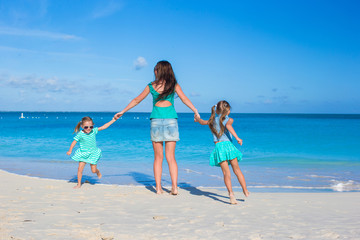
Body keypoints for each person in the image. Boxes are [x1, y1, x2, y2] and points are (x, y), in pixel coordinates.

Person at [114, 60, 199, 195]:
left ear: (161, 70)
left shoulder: (152, 86)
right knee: (170, 157)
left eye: (155, 69)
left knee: (159, 158)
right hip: (171, 121)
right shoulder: (173, 85)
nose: (154, 72)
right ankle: (174, 188)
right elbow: (184, 99)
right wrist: (195, 110)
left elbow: (137, 100)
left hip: (157, 122)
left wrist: (123, 111)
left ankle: (159, 189)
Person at [194, 100, 249, 204]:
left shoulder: (211, 120)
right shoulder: (229, 119)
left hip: (219, 148)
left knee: (226, 173)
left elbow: (202, 122)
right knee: (237, 170)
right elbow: (228, 126)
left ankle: (231, 194)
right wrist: (237, 138)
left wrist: (197, 119)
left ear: (217, 110)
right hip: (229, 146)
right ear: (228, 110)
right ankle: (245, 190)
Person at [67, 116, 117, 189]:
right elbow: (74, 142)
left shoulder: (93, 131)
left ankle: (97, 171)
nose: (89, 129)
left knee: (93, 170)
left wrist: (113, 120)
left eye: (91, 126)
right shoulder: (80, 134)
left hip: (93, 153)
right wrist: (70, 150)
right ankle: (79, 184)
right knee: (79, 169)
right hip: (83, 154)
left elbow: (104, 127)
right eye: (86, 127)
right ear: (82, 126)